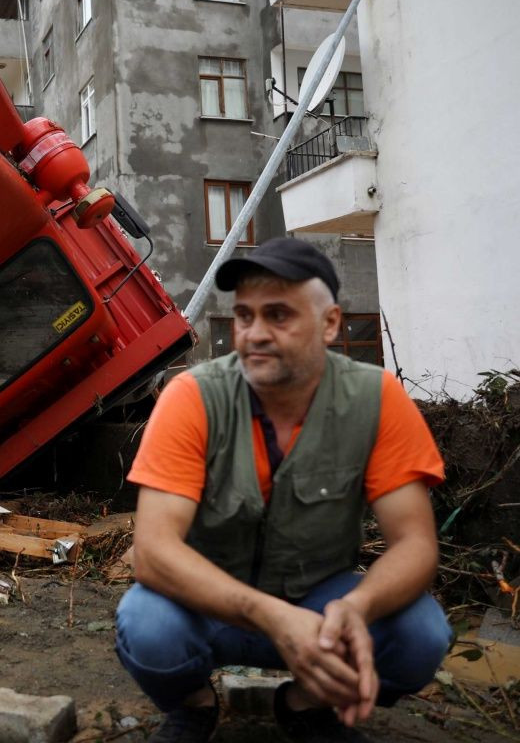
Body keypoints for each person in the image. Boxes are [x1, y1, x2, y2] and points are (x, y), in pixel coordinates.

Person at [114, 237, 451, 743]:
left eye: (278, 315)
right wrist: (270, 616)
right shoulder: (192, 397)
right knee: (147, 624)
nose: (254, 334)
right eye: (245, 316)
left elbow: (417, 545)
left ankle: (306, 705)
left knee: (420, 636)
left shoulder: (377, 400)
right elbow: (154, 553)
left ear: (331, 323)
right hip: (211, 607)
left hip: (320, 604)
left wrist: (356, 608)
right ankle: (194, 705)